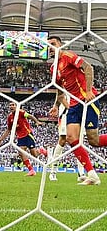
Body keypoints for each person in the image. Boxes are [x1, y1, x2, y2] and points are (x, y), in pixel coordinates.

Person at [47, 36, 107, 186]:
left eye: (53, 44)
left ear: (60, 45)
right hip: (73, 105)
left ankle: (91, 174)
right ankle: (92, 175)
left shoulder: (68, 56)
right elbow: (60, 91)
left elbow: (88, 67)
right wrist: (55, 105)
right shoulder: (53, 68)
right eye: (47, 45)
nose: (50, 47)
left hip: (87, 100)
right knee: (71, 137)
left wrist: (88, 91)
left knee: (94, 140)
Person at [0, 102, 47, 176]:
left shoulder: (21, 112)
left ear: (16, 106)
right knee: (20, 152)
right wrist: (1, 139)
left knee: (34, 155)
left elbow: (30, 116)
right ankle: (31, 170)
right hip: (20, 137)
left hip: (28, 134)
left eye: (13, 105)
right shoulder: (10, 117)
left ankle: (41, 150)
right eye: (10, 105)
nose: (11, 106)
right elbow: (8, 129)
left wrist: (37, 121)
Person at [48, 93, 86, 182]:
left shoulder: (82, 82)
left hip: (79, 113)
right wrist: (56, 106)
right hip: (66, 113)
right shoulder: (65, 82)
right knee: (62, 140)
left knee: (80, 142)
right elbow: (60, 94)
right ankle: (53, 172)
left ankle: (81, 173)